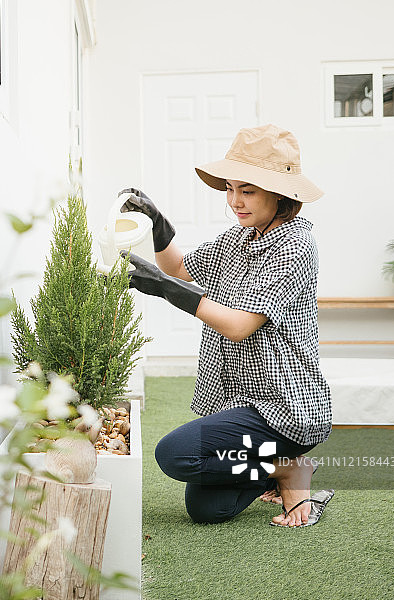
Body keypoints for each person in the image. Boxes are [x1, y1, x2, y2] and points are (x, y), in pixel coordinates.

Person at [121, 124, 333, 527]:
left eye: (247, 191)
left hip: (285, 408)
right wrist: (159, 225)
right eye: (230, 189)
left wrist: (166, 290)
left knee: (177, 455)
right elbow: (182, 270)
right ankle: (275, 469)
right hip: (241, 403)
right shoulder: (242, 236)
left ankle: (289, 469)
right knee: (208, 509)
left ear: (280, 194)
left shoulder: (295, 245)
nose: (235, 201)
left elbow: (238, 325)